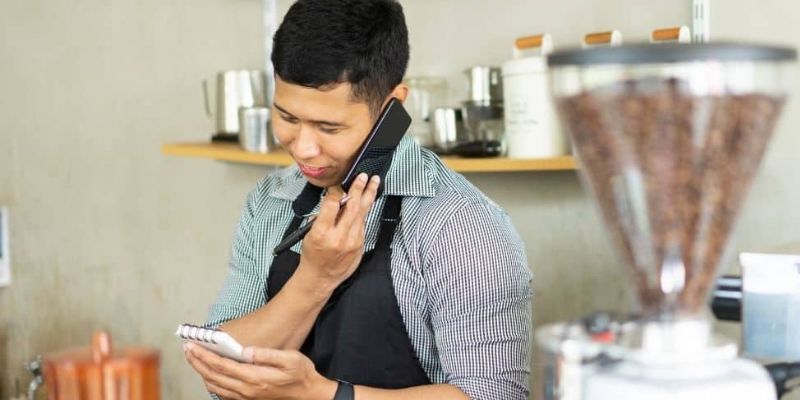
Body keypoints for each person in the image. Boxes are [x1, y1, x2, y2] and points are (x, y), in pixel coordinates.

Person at [183, 0, 533, 399]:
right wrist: (315, 279)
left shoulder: (460, 224)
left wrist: (322, 394)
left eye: (328, 127)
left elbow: (493, 394)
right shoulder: (269, 201)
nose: (305, 148)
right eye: (288, 118)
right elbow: (221, 373)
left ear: (392, 106)